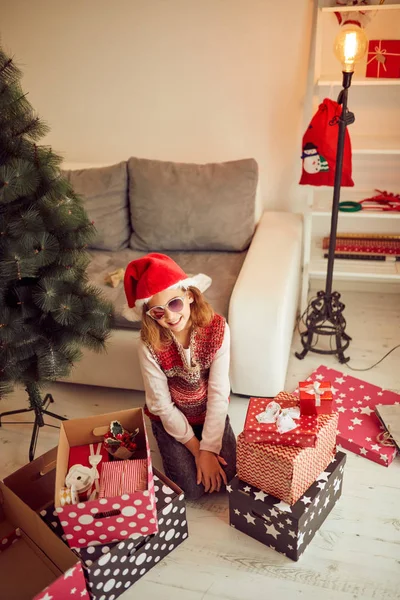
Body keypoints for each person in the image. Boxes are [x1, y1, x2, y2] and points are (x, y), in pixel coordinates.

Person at [124, 253, 236, 500]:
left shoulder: (217, 329)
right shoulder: (149, 344)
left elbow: (218, 394)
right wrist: (199, 451)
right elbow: (161, 406)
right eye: (158, 312)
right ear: (149, 314)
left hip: (208, 410)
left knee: (232, 476)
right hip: (171, 416)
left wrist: (210, 447)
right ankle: (179, 442)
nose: (170, 317)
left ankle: (210, 440)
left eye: (175, 304)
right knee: (191, 490)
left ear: (190, 295)